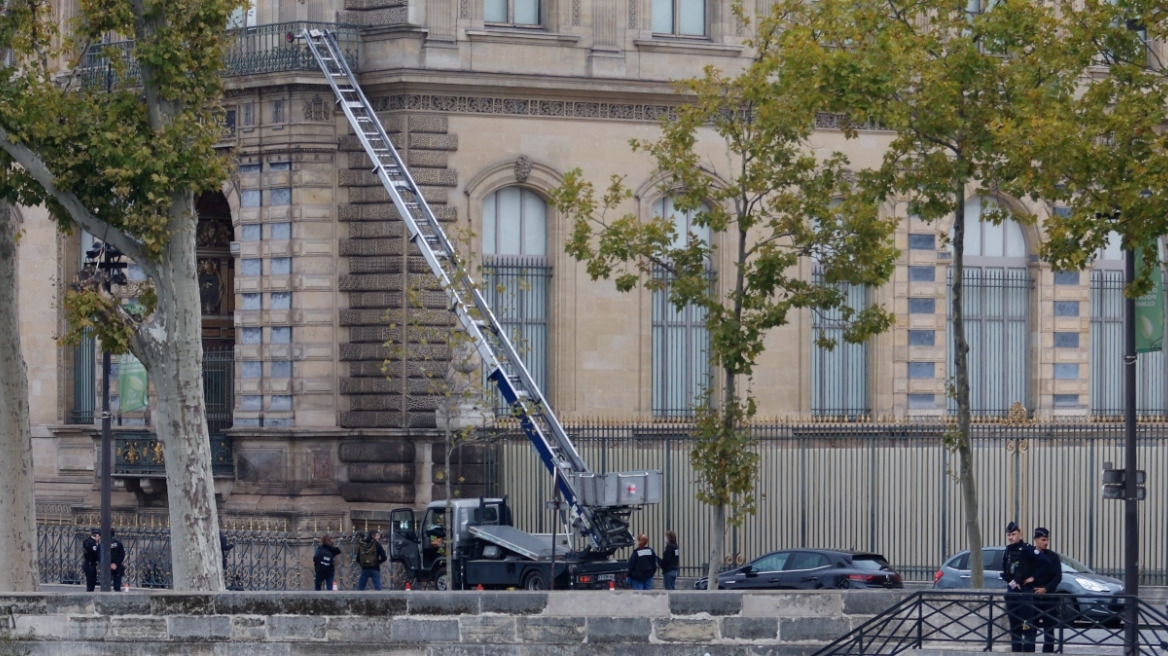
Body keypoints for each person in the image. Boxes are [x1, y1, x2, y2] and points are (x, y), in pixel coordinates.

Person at [1002, 521, 1039, 652]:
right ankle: (1016, 652)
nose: (1011, 537)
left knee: (1027, 626)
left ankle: (1028, 652)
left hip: (1025, 593)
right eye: (1009, 535)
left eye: (1013, 534)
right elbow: (1005, 569)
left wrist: (1033, 577)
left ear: (1020, 534)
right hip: (1012, 593)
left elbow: (1044, 565)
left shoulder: (1028, 549)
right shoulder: (1007, 550)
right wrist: (1008, 581)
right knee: (1014, 628)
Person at [1027, 527, 1063, 654]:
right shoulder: (1029, 555)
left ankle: (1048, 652)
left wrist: (1046, 589)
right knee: (1031, 628)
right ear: (1036, 540)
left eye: (1047, 539)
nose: (1046, 542)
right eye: (1043, 540)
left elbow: (1058, 577)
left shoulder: (1053, 557)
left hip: (1049, 597)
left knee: (1049, 629)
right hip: (1033, 596)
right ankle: (1029, 652)